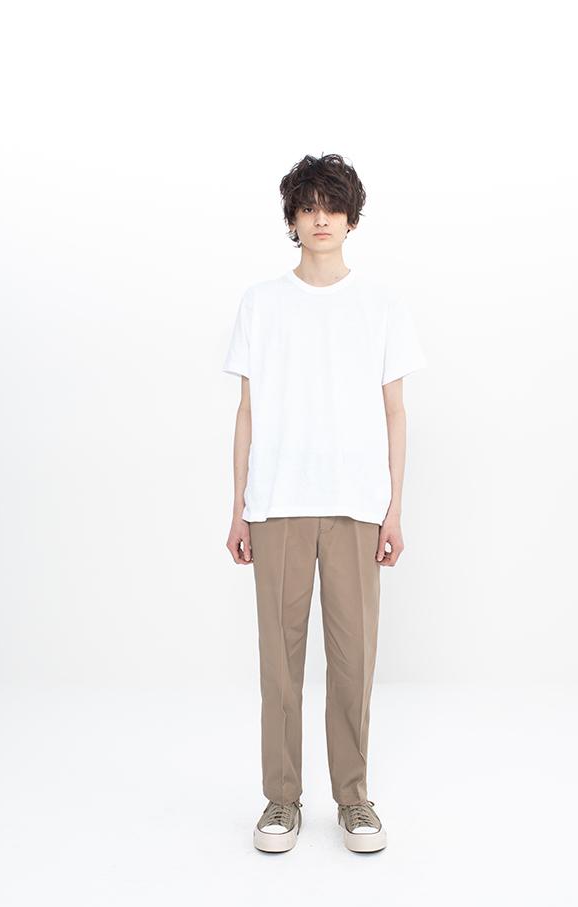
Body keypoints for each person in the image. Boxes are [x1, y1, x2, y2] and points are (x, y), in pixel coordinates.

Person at [222, 153, 427, 854]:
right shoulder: (261, 303)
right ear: (292, 218)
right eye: (307, 206)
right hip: (277, 502)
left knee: (353, 659)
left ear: (350, 218)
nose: (319, 219)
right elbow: (247, 411)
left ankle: (354, 798)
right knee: (278, 664)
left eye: (331, 207)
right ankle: (281, 799)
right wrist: (238, 507)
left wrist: (394, 509)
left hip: (356, 504)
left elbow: (395, 412)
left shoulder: (382, 306)